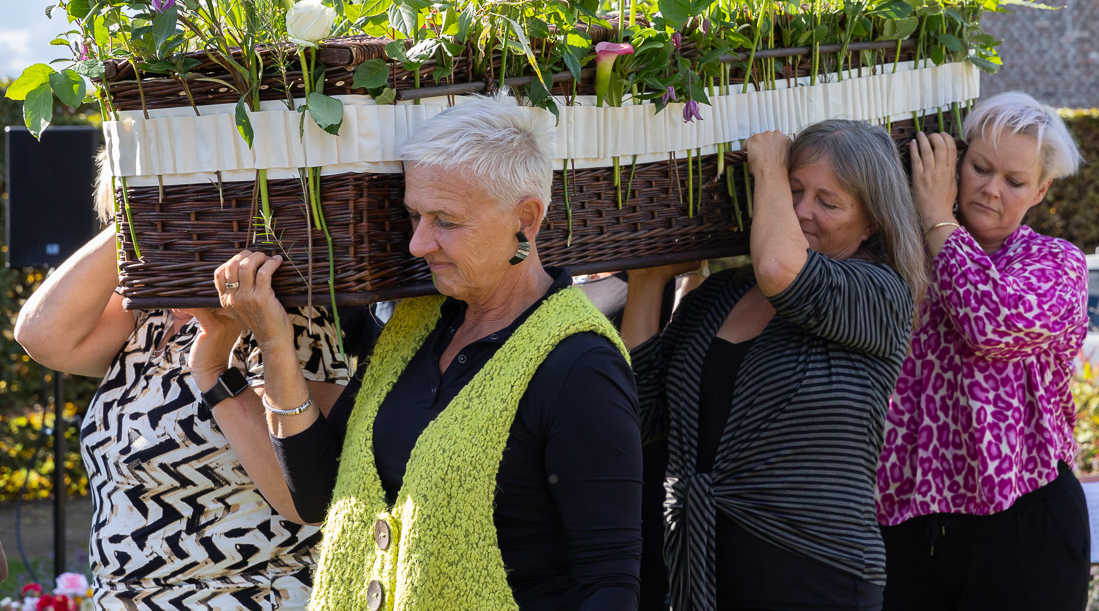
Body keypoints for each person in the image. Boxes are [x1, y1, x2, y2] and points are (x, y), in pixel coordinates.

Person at [196, 97, 643, 611]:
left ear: (525, 218)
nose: (417, 243)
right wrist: (273, 343)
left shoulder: (578, 362)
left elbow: (609, 579)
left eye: (446, 221)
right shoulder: (415, 326)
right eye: (415, 215)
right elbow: (321, 492)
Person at [622, 120, 924, 611]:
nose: (802, 211)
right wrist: (646, 282)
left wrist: (767, 166)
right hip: (702, 568)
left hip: (815, 571)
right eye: (794, 189)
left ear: (870, 223)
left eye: (827, 202)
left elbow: (782, 270)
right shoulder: (722, 294)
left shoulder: (881, 292)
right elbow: (639, 412)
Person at [13, 222, 361, 609]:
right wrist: (137, 212)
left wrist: (215, 371)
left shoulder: (281, 314)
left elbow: (304, 497)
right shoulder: (149, 319)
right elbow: (41, 334)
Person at [877, 91, 1092, 611]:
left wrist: (934, 214)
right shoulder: (897, 252)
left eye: (1014, 181)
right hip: (903, 522)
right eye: (980, 167)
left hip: (1025, 521)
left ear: (1039, 192)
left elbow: (989, 323)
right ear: (957, 158)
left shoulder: (1057, 264)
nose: (991, 189)